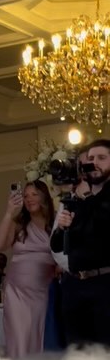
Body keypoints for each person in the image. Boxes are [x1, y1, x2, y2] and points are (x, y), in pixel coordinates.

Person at [51, 139, 110, 348]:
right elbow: (58, 246)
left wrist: (86, 197)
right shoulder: (78, 199)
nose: (94, 163)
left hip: (104, 285)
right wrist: (61, 228)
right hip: (75, 287)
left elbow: (104, 223)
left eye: (102, 158)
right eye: (91, 158)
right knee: (78, 354)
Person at [0, 181, 55, 359]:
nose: (29, 199)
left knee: (40, 333)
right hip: (16, 291)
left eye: (34, 194)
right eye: (26, 195)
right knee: (18, 336)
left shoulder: (56, 221)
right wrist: (8, 213)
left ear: (44, 196)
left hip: (43, 290)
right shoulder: (19, 223)